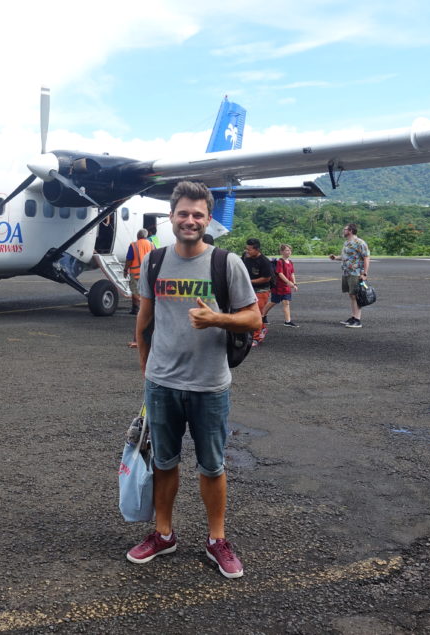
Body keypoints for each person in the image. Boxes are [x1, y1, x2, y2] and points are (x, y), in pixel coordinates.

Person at [128, 181, 261, 579]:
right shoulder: (154, 262)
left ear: (208, 220)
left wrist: (217, 318)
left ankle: (217, 540)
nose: (190, 220)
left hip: (209, 385)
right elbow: (144, 318)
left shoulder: (227, 263)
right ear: (171, 217)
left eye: (198, 214)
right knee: (164, 464)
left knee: (212, 466)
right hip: (163, 385)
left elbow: (253, 318)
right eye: (183, 213)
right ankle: (163, 534)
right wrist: (146, 368)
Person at [329, 223, 371, 328]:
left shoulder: (360, 242)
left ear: (350, 231)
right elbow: (345, 257)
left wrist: (365, 273)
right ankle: (353, 317)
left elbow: (366, 257)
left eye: (345, 229)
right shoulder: (347, 242)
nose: (343, 231)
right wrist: (335, 258)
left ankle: (357, 320)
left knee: (356, 295)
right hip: (346, 272)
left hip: (356, 273)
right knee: (351, 295)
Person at [241, 238, 273, 347]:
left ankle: (256, 337)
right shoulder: (245, 257)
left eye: (250, 249)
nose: (247, 251)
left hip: (261, 290)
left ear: (257, 249)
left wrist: (249, 281)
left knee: (257, 313)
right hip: (248, 289)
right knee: (245, 311)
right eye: (247, 249)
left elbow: (266, 278)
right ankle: (262, 328)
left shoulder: (264, 261)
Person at [262, 244, 299, 327]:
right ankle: (262, 315)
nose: (289, 252)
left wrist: (294, 283)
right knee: (273, 302)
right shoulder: (280, 262)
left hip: (286, 287)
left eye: (289, 250)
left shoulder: (290, 262)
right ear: (281, 252)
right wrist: (288, 282)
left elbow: (292, 273)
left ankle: (287, 321)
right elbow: (280, 273)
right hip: (279, 286)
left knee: (286, 302)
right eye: (286, 250)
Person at [125, 229, 154, 316]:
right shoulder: (152, 245)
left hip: (136, 273)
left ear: (138, 236)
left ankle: (137, 309)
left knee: (135, 291)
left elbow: (129, 259)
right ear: (146, 236)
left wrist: (125, 269)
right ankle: (140, 308)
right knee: (147, 291)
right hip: (148, 273)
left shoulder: (134, 245)